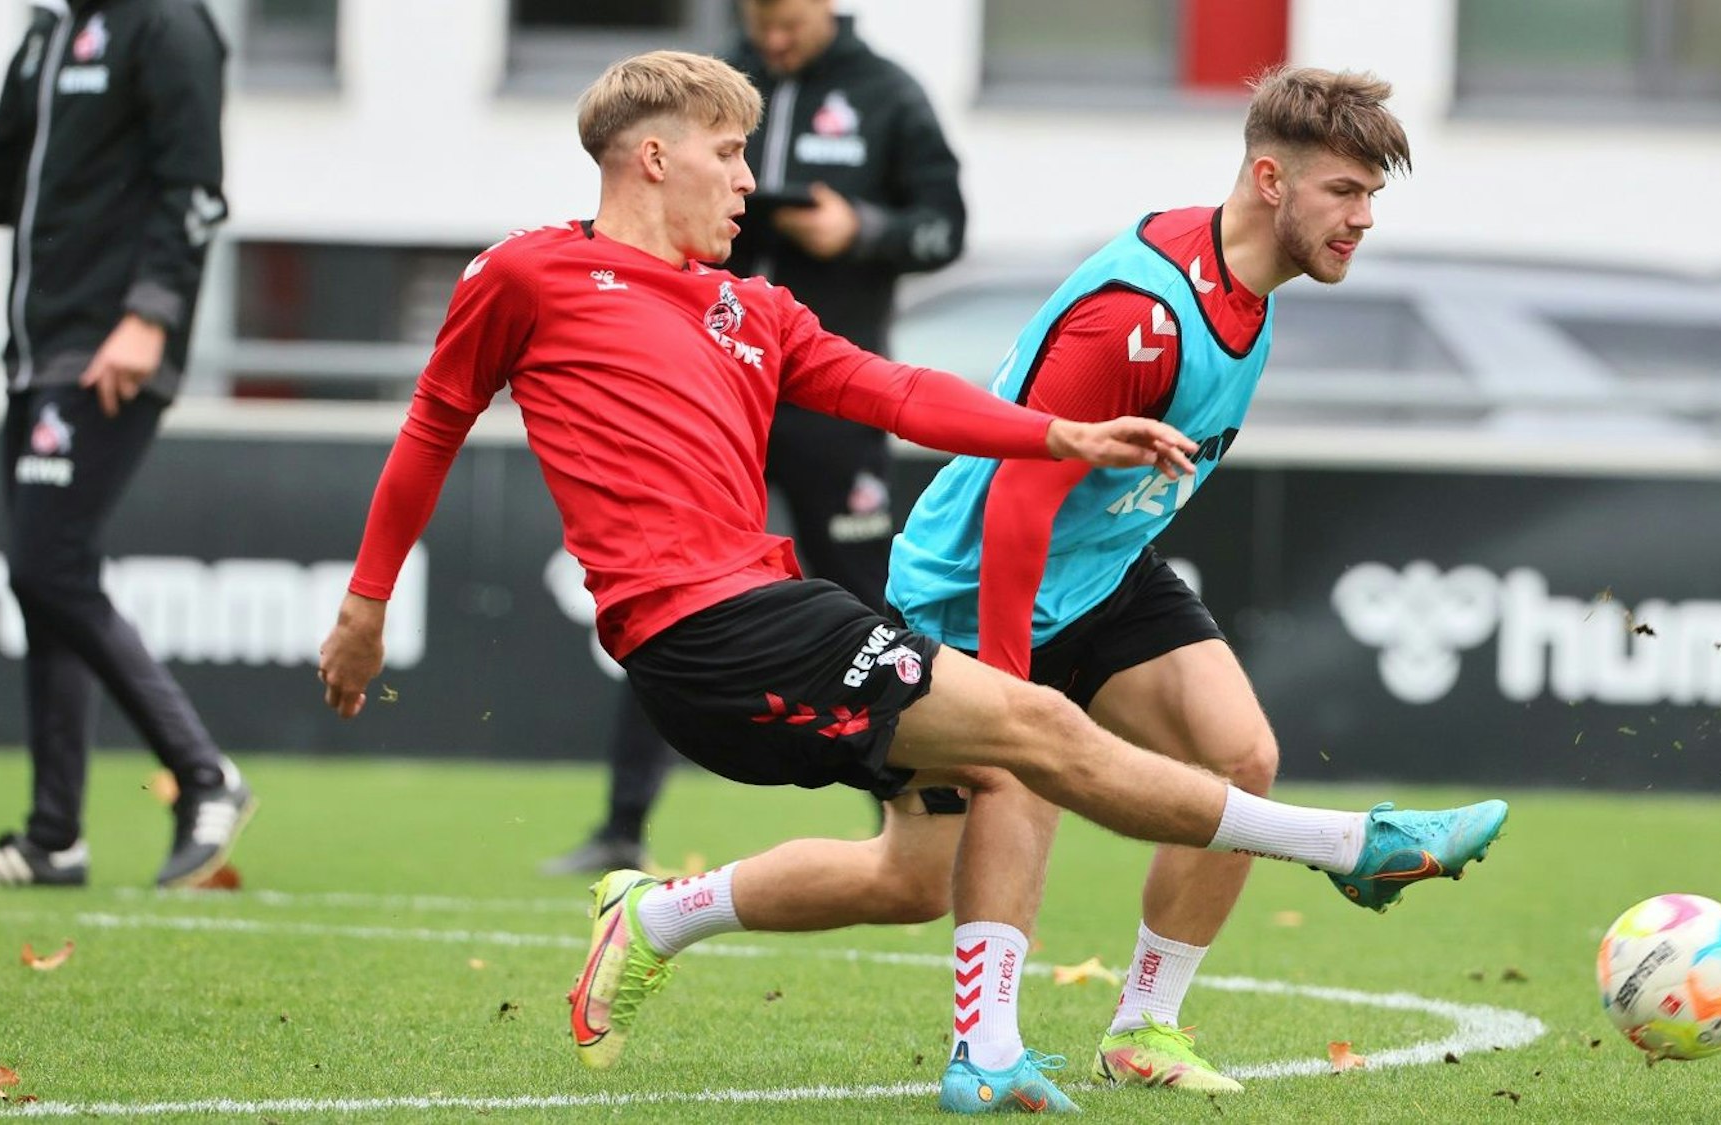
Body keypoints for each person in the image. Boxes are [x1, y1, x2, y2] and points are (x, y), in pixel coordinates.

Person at [314, 52, 1505, 1115]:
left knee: (930, 854)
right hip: (702, 630)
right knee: (1033, 733)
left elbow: (896, 393)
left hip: (771, 607)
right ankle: (1350, 846)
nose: (747, 182)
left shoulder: (750, 309)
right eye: (729, 157)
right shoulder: (529, 273)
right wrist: (366, 606)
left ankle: (676, 923)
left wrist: (1055, 438)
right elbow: (433, 421)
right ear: (652, 156)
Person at [884, 65, 1449, 1097]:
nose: (1363, 218)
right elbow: (1016, 501)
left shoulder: (1255, 284)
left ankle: (1144, 1025)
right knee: (910, 875)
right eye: (1345, 192)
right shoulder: (1137, 314)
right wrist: (1010, 687)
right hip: (977, 587)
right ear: (1270, 179)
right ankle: (669, 913)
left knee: (1240, 753)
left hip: (1097, 572)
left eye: (1373, 196)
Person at [540, 0, 969, 876]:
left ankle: (907, 811)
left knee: (865, 600)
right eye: (757, 19)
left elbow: (944, 226)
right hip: (704, 388)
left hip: (824, 392)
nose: (771, 37)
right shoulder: (711, 85)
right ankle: (623, 822)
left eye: (786, 22)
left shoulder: (888, 94)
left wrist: (863, 230)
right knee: (676, 592)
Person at [0, 0, 254, 890]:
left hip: (106, 346)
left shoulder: (167, 23)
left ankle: (206, 774)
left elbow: (197, 188)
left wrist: (150, 316)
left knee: (47, 567)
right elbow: (4, 184)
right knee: (45, 586)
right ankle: (54, 836)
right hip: (34, 353)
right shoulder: (49, 31)